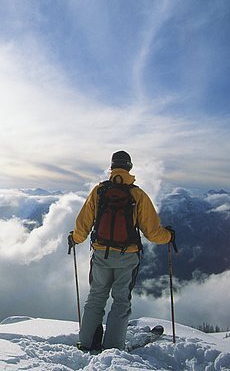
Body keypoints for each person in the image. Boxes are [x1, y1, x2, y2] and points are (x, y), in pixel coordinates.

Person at [69, 150, 174, 352]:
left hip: (101, 254)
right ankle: (113, 347)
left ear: (112, 167)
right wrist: (168, 236)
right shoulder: (137, 194)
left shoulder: (99, 192)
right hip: (127, 256)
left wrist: (74, 238)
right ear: (129, 168)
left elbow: (83, 225)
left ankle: (86, 342)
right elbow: (152, 232)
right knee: (121, 301)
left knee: (96, 297)